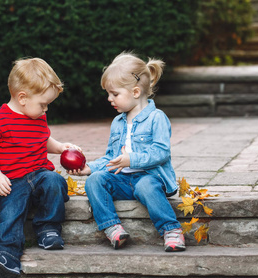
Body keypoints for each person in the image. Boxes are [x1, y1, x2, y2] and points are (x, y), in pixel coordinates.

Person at [68, 52, 185, 252]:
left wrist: (132, 160)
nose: (109, 99)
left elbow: (161, 152)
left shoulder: (157, 118)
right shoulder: (118, 122)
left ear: (136, 92)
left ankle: (171, 230)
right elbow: (111, 158)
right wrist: (89, 168)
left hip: (150, 178)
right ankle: (112, 227)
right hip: (123, 180)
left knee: (146, 187)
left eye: (114, 94)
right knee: (95, 181)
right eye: (108, 94)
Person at [0, 57, 79, 278]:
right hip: (13, 179)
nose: (46, 110)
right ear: (22, 98)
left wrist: (61, 148)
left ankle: (48, 229)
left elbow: (44, 140)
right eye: (43, 104)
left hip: (39, 173)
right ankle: (7, 254)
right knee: (11, 213)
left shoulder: (38, 117)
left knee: (55, 181)